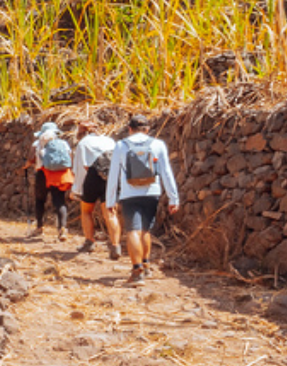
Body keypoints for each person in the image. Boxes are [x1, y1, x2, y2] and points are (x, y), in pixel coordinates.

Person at [104, 113, 180, 284]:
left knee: (132, 231)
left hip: (129, 194)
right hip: (152, 193)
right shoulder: (158, 144)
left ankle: (137, 270)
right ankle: (145, 265)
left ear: (130, 129)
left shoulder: (121, 145)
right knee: (145, 230)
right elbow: (166, 172)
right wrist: (173, 198)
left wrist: (110, 200)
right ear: (147, 129)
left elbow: (113, 174)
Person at [72, 117, 122, 259]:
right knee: (110, 213)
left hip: (92, 177)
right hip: (110, 178)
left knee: (86, 211)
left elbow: (81, 167)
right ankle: (116, 245)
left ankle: (89, 241)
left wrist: (77, 189)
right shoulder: (111, 141)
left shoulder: (84, 143)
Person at [28, 121, 74, 240]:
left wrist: (26, 165)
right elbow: (70, 158)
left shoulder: (37, 144)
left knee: (40, 200)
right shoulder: (63, 144)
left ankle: (39, 227)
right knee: (59, 201)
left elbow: (31, 159)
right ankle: (62, 229)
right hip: (59, 175)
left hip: (43, 174)